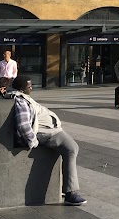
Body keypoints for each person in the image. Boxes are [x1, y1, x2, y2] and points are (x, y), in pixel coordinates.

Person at [12, 76, 86, 205]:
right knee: (72, 148)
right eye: (29, 86)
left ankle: (67, 188)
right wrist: (32, 141)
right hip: (47, 133)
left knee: (71, 148)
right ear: (22, 89)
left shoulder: (22, 98)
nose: (31, 88)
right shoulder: (21, 101)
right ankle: (70, 193)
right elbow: (23, 124)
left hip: (50, 130)